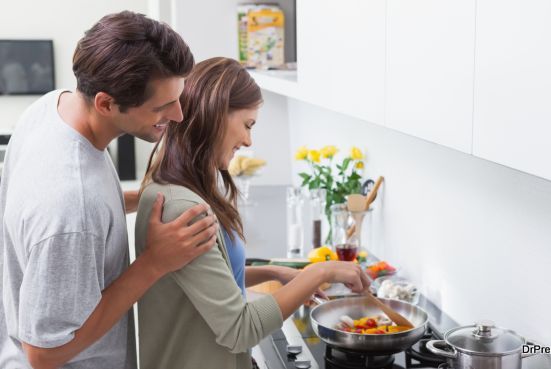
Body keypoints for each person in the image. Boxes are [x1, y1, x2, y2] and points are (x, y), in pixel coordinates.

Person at [0, 11, 218, 369]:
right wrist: (153, 264)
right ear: (105, 103)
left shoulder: (52, 107)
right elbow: (43, 353)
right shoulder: (71, 204)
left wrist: (146, 200)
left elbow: (79, 213)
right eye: (162, 106)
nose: (178, 115)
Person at [135, 57, 371, 369]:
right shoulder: (183, 208)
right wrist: (320, 272)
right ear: (215, 114)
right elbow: (239, 329)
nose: (248, 141)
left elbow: (205, 280)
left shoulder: (184, 189)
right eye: (247, 125)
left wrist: (274, 273)